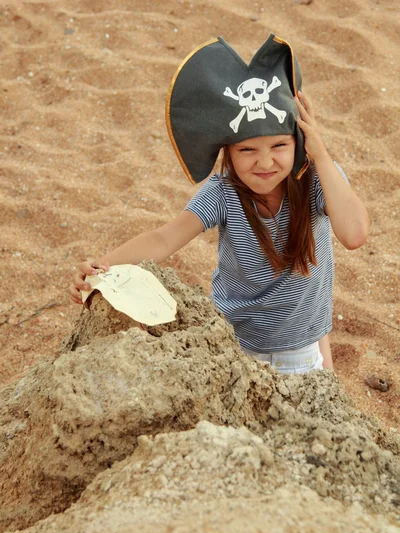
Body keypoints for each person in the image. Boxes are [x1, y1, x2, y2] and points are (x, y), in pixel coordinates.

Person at [69, 35, 369, 374]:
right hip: (233, 347)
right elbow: (164, 238)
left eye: (279, 145)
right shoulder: (222, 193)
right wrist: (101, 265)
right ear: (228, 151)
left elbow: (355, 234)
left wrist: (322, 156)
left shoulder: (317, 179)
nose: (265, 161)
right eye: (247, 150)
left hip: (300, 351)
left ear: (298, 142)